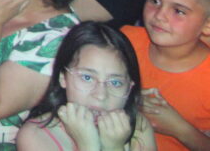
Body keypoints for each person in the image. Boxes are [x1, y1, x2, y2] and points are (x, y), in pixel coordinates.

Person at [17, 21, 156, 151]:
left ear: (129, 88)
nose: (101, 95)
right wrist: (88, 144)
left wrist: (114, 147)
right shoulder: (36, 135)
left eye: (115, 82)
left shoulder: (138, 126)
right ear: (63, 78)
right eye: (87, 78)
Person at [121, 0, 210, 151]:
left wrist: (180, 129)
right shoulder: (125, 41)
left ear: (207, 25)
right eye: (154, 1)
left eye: (178, 11)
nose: (159, 15)